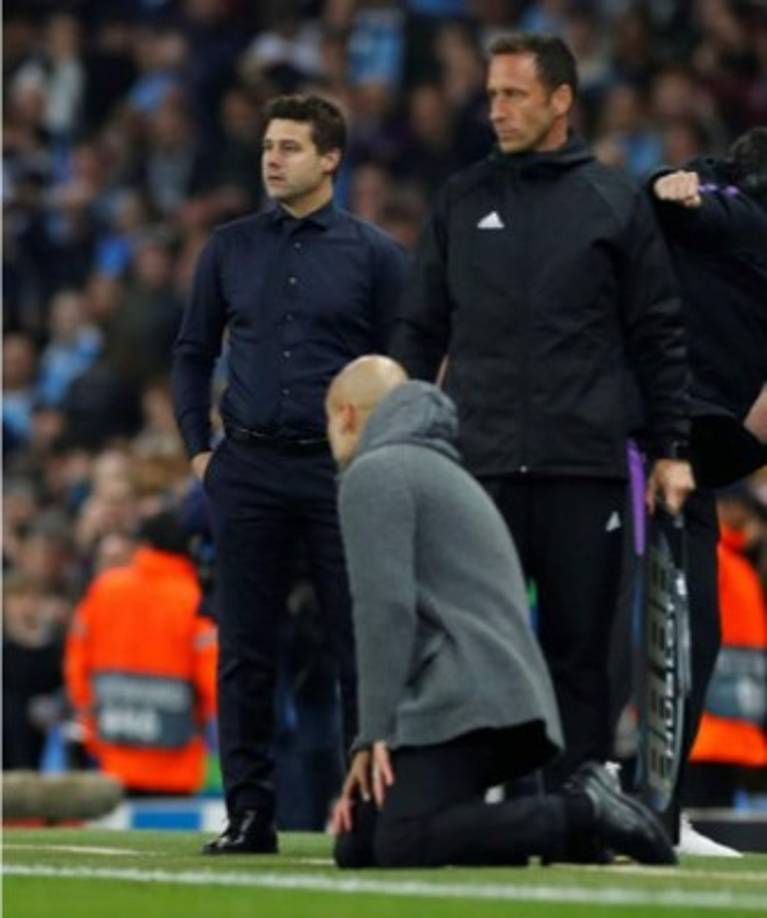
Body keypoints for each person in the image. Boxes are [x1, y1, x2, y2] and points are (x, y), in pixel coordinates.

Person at [390, 33, 695, 788]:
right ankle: (462, 798)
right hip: (478, 466)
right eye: (491, 94)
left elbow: (656, 333)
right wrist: (393, 438)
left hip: (582, 465)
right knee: (468, 645)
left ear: (561, 101)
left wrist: (670, 449)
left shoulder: (613, 200)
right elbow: (418, 331)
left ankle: (576, 804)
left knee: (579, 653)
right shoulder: (461, 200)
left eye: (513, 94)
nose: (495, 110)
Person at [326, 355, 675, 869]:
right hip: (502, 700)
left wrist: (373, 733)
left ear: (347, 415)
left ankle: (582, 812)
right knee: (360, 842)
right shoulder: (441, 469)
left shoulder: (375, 474)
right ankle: (514, 832)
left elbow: (385, 611)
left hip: (467, 701)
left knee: (402, 841)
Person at [171, 94, 408, 854]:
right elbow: (190, 351)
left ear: (330, 159)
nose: (272, 158)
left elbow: (401, 369)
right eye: (268, 145)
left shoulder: (375, 255)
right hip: (246, 467)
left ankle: (366, 815)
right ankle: (249, 815)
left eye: (291, 147)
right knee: (244, 649)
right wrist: (198, 452)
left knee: (358, 647)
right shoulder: (228, 247)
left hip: (341, 475)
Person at [646, 127, 767, 853]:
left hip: (687, 445)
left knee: (691, 626)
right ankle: (616, 793)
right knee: (644, 620)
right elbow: (682, 200)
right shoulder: (735, 211)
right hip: (644, 437)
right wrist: (669, 183)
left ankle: (654, 805)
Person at [64, 510, 217, 795]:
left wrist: (90, 716)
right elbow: (212, 677)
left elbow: (77, 663)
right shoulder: (194, 600)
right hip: (175, 760)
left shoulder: (105, 589)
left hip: (113, 753)